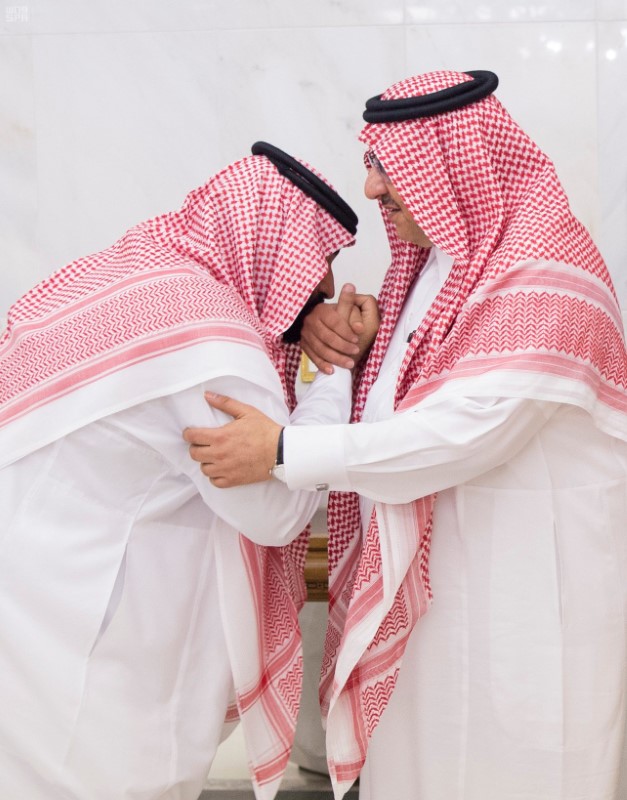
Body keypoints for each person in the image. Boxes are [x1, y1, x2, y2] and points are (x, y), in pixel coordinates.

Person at [184, 71, 627, 800]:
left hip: (525, 607)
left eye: (387, 167)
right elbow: (391, 409)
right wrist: (340, 356)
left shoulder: (546, 275)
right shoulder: (427, 273)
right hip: (425, 618)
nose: (372, 189)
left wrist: (284, 452)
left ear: (455, 163)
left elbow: (461, 433)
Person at [0, 141, 374, 800]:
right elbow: (277, 511)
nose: (320, 285)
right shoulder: (210, 339)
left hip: (35, 593)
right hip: (94, 627)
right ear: (274, 244)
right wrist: (335, 371)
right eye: (320, 258)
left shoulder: (122, 274)